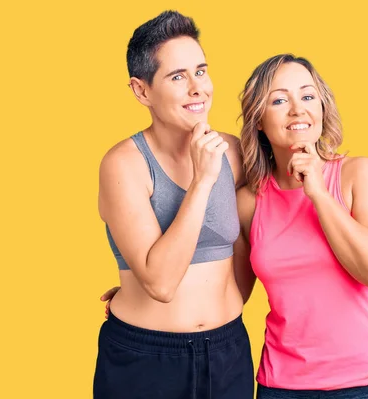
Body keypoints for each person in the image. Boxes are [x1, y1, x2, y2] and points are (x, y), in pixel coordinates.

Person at [93, 10, 254, 399]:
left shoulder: (234, 152)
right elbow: (161, 284)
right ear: (142, 90)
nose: (197, 88)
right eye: (178, 76)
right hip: (146, 358)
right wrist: (202, 181)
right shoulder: (124, 165)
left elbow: (259, 237)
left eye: (201, 70)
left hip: (227, 352)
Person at [234, 54, 368, 398]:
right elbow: (230, 295)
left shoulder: (358, 174)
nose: (298, 109)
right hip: (281, 386)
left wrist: (319, 194)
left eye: (308, 96)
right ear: (258, 119)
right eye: (279, 100)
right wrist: (145, 301)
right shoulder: (249, 202)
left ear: (322, 108)